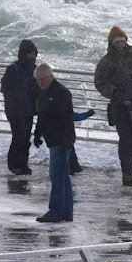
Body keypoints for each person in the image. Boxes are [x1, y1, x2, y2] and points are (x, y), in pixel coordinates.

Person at [93, 26, 132, 187]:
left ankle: (131, 170)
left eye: (122, 41)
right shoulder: (106, 61)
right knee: (125, 138)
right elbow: (99, 82)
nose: (120, 44)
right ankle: (126, 172)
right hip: (119, 105)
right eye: (117, 42)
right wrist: (113, 92)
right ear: (112, 44)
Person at [31, 64, 92, 224]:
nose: (40, 82)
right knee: (63, 176)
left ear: (51, 76)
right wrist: (38, 134)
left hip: (62, 139)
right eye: (38, 79)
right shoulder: (42, 92)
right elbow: (41, 116)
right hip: (53, 139)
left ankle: (55, 211)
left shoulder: (62, 93)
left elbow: (67, 117)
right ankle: (66, 212)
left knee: (56, 176)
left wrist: (84, 116)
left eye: (43, 79)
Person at [0, 39, 39, 176]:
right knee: (18, 137)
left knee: (25, 137)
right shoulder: (13, 68)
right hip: (15, 110)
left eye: (34, 54)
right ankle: (14, 164)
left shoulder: (35, 70)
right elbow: (5, 88)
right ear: (23, 54)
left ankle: (23, 164)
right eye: (29, 54)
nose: (32, 56)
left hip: (28, 110)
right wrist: (16, 101)